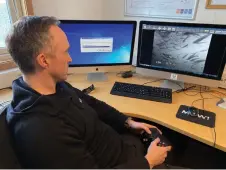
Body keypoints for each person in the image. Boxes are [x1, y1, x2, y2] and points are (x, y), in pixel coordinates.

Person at [5, 16, 172, 169]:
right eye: (65, 52)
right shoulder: (42, 130)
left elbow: (91, 102)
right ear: (44, 60)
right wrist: (148, 162)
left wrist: (127, 122)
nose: (70, 58)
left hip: (121, 148)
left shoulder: (55, 86)